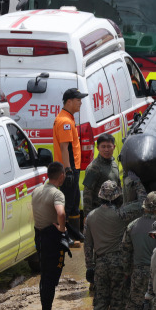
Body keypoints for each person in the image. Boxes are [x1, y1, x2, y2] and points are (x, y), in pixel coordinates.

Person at [85, 181, 145, 310]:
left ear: (100, 196)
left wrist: (89, 266)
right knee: (118, 302)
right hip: (119, 263)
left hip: (100, 264)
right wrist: (137, 184)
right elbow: (143, 203)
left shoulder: (90, 217)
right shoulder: (122, 214)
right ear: (117, 196)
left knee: (100, 303)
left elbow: (87, 244)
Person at [32, 162, 68, 310]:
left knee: (45, 274)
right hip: (51, 238)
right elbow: (61, 212)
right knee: (51, 277)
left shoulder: (36, 190)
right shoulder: (57, 194)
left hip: (39, 236)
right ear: (61, 176)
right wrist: (62, 228)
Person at [53, 87, 87, 235]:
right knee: (67, 203)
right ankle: (63, 233)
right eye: (78, 100)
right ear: (69, 101)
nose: (80, 103)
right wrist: (68, 171)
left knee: (74, 201)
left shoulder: (68, 118)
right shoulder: (65, 121)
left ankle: (74, 232)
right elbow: (64, 147)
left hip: (73, 167)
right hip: (69, 168)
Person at [83, 133, 120, 216]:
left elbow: (119, 186)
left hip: (114, 211)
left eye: (109, 146)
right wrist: (87, 215)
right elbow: (87, 193)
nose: (106, 150)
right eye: (103, 147)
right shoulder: (93, 168)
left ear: (113, 147)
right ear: (98, 148)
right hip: (99, 213)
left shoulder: (114, 164)